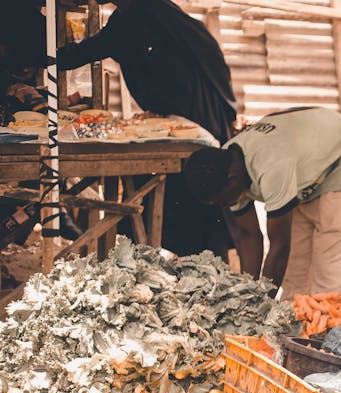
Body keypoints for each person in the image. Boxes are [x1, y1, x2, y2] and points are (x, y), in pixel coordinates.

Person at [58, 0, 239, 257]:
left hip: (197, 118)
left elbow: (206, 48)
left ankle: (205, 268)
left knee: (202, 198)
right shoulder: (129, 17)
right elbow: (88, 51)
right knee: (177, 201)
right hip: (176, 119)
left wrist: (226, 105)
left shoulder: (150, 9)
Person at [182, 106, 341, 299]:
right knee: (295, 278)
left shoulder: (270, 167)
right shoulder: (226, 163)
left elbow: (280, 245)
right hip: (310, 166)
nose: (224, 207)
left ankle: (331, 330)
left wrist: (262, 306)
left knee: (331, 282)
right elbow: (249, 235)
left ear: (232, 180)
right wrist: (246, 294)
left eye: (222, 201)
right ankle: (300, 328)